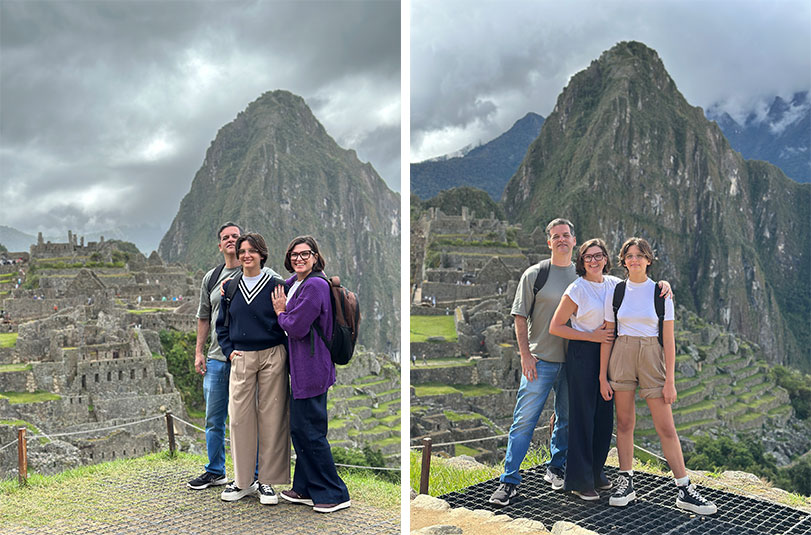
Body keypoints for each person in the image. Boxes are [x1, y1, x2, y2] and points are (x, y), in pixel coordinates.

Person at [600, 237, 716, 514]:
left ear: (649, 260)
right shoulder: (616, 292)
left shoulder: (660, 294)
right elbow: (607, 335)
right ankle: (626, 480)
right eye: (629, 255)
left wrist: (671, 381)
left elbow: (669, 339)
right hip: (622, 353)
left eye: (640, 255)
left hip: (652, 356)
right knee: (625, 423)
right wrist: (603, 376)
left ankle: (684, 487)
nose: (635, 260)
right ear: (623, 260)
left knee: (666, 427)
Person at [549, 239, 671, 501]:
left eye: (598, 256)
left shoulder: (614, 285)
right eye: (588, 257)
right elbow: (556, 326)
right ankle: (580, 480)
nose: (593, 261)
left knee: (603, 418)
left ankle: (596, 472)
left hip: (610, 354)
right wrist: (592, 337)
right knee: (582, 417)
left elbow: (640, 287)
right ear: (581, 262)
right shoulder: (577, 289)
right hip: (583, 354)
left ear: (606, 259)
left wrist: (663, 286)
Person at [488, 218, 581, 506]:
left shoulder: (584, 276)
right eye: (556, 236)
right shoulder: (535, 274)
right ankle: (509, 481)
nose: (562, 240)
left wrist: (661, 285)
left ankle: (556, 468)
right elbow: (519, 317)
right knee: (524, 422)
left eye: (566, 235)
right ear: (549, 242)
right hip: (540, 361)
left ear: (574, 240)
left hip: (573, 363)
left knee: (566, 420)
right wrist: (525, 355)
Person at [187, 222, 282, 491]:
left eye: (236, 237)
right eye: (225, 238)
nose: (231, 241)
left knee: (251, 417)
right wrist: (199, 352)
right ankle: (215, 470)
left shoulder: (264, 275)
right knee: (214, 418)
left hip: (250, 358)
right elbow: (204, 317)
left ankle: (252, 476)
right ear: (220, 245)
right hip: (219, 357)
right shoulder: (213, 277)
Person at [271, 235, 351, 514]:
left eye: (305, 254)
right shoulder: (297, 283)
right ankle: (304, 488)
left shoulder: (315, 285)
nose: (299, 259)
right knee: (301, 430)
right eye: (294, 255)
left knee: (311, 432)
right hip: (304, 368)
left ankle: (335, 492)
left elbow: (296, 327)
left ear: (316, 257)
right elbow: (278, 286)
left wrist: (281, 313)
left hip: (313, 368)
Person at [216, 232, 289, 505]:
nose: (246, 255)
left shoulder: (277, 285)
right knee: (239, 419)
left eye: (252, 251)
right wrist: (228, 351)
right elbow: (221, 324)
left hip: (272, 354)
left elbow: (288, 320)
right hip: (242, 357)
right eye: (242, 250)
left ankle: (267, 482)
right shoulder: (230, 287)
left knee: (271, 417)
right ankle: (242, 481)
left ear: (262, 254)